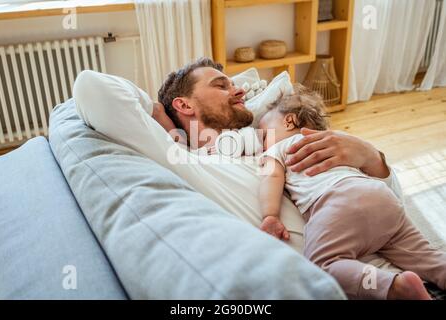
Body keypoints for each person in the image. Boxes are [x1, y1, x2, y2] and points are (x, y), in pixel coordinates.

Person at [73, 57, 406, 297]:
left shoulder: (275, 136)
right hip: (345, 286)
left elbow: (394, 206)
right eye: (221, 85)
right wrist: (161, 118)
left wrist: (372, 159)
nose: (239, 91)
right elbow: (92, 87)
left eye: (235, 84)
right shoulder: (180, 156)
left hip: (400, 263)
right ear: (184, 105)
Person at [257, 84, 446, 299]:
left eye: (263, 136)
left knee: (323, 265)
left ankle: (393, 285)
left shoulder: (278, 149)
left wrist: (270, 215)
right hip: (380, 196)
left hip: (337, 203)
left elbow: (271, 176)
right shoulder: (337, 142)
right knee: (424, 255)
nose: (263, 145)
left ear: (288, 120)